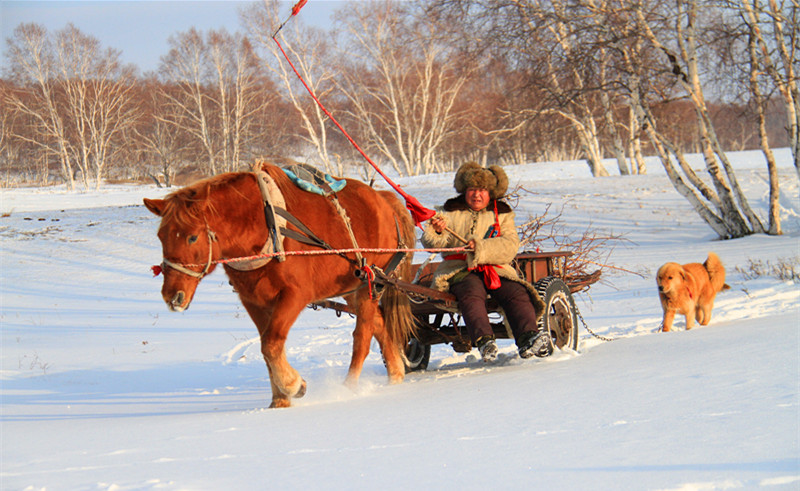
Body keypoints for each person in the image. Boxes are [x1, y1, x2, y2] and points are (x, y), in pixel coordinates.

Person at [420, 162, 553, 362]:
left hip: (496, 269)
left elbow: (510, 245)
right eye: (472, 189)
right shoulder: (448, 211)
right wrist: (437, 231)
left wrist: (480, 248)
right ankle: (485, 341)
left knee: (517, 292)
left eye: (482, 190)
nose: (477, 195)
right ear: (464, 190)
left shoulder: (502, 214)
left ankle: (528, 337)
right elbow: (430, 244)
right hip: (459, 270)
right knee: (471, 293)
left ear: (490, 193)